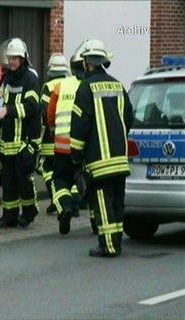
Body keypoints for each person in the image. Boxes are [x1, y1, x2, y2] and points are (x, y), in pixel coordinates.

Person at [69, 39, 133, 257]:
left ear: (87, 62)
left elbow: (79, 126)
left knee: (103, 204)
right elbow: (129, 117)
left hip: (99, 161)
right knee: (117, 203)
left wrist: (76, 157)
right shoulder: (118, 85)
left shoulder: (85, 88)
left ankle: (108, 245)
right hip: (120, 158)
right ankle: (117, 241)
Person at [0, 38, 41, 229]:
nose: (12, 61)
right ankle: (9, 216)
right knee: (8, 181)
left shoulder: (31, 78)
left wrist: (8, 110)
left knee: (24, 180)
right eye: (10, 58)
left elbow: (32, 106)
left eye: (15, 58)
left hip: (25, 140)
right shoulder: (6, 78)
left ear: (23, 59)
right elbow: (0, 103)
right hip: (7, 139)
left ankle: (29, 212)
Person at [47, 44, 87, 235]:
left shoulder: (61, 85)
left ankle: (65, 208)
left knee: (60, 180)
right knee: (87, 181)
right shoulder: (88, 86)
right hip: (85, 147)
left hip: (62, 146)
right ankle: (96, 221)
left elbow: (50, 114)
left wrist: (53, 130)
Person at [38, 53, 70, 215]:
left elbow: (44, 112)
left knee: (46, 167)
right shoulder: (71, 84)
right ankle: (69, 201)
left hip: (51, 137)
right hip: (68, 138)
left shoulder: (48, 87)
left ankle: (57, 199)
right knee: (67, 171)